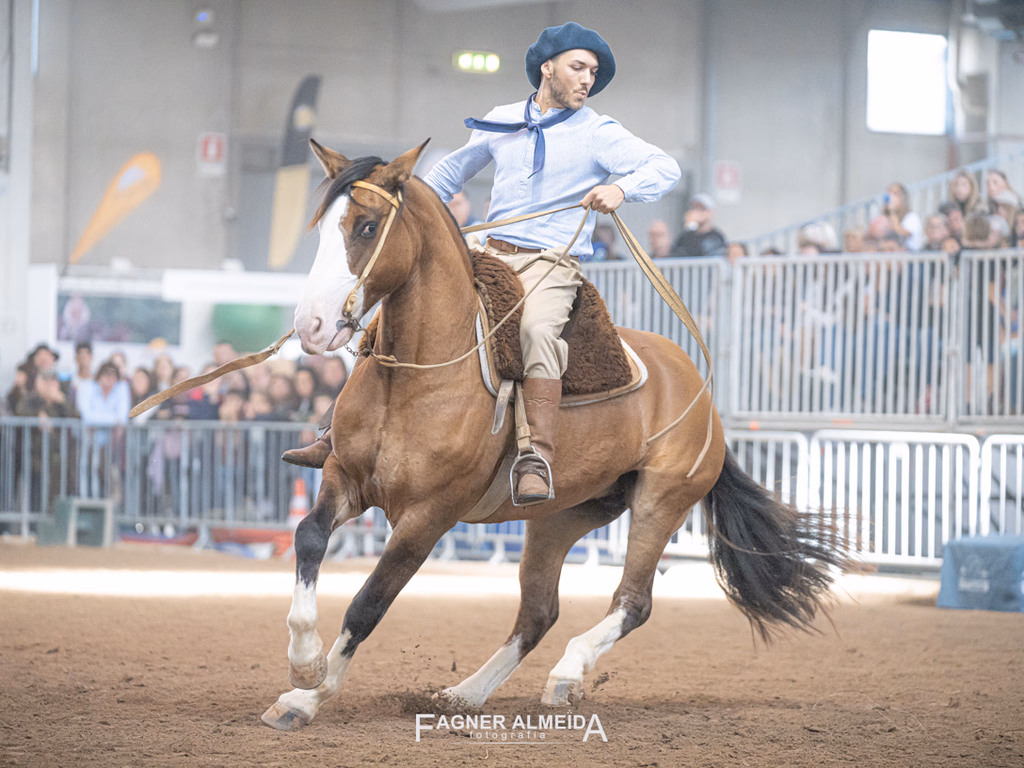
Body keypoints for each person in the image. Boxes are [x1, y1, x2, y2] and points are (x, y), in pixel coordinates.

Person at [286, 21, 681, 507]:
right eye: (578, 68)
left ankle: (535, 454)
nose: (587, 79)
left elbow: (666, 168)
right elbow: (452, 170)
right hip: (489, 253)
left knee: (537, 333)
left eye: (594, 72)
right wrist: (419, 211)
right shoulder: (503, 118)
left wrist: (621, 188)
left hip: (550, 263)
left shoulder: (599, 132)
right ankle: (337, 431)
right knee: (403, 308)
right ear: (547, 68)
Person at [669, 193, 727, 258]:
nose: (697, 211)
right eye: (694, 208)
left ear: (710, 213)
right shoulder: (685, 235)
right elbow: (676, 254)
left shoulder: (716, 236)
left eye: (702, 209)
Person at [882, 182, 922, 251]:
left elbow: (901, 236)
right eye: (889, 193)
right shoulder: (884, 218)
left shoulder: (912, 217)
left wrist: (892, 212)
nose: (891, 197)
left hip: (910, 257)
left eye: (895, 194)